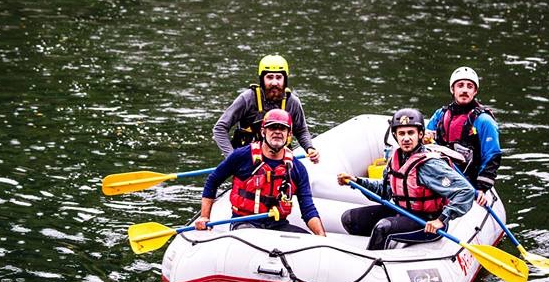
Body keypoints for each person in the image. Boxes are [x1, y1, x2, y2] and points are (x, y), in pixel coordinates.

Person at [337, 108, 474, 251]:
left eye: (411, 133)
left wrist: (441, 219)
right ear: (395, 135)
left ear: (420, 134)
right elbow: (386, 190)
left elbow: (466, 191)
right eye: (401, 133)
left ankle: (373, 259)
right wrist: (357, 181)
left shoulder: (430, 164)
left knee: (383, 228)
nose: (406, 138)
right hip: (402, 212)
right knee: (350, 219)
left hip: (427, 222)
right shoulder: (396, 159)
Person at [196, 109, 326, 236]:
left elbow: (308, 209)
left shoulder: (297, 168)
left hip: (277, 225)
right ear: (263, 131)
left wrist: (321, 237)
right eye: (272, 127)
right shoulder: (241, 156)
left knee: (308, 239)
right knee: (251, 237)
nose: (277, 132)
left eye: (282, 128)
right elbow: (213, 181)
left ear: (289, 134)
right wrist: (204, 217)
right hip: (244, 222)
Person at [212, 54, 320, 163]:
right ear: (262, 79)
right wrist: (231, 158)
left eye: (279, 77)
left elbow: (301, 130)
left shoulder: (292, 102)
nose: (274, 83)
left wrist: (309, 148)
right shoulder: (247, 98)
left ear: (285, 80)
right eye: (269, 77)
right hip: (247, 161)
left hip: (279, 160)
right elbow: (220, 128)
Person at [426, 67, 501, 206]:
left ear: (475, 91)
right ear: (452, 89)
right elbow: (425, 142)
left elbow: (492, 156)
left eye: (469, 86)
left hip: (468, 181)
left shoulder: (484, 121)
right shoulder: (440, 115)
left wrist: (481, 188)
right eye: (460, 85)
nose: (465, 90)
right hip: (442, 176)